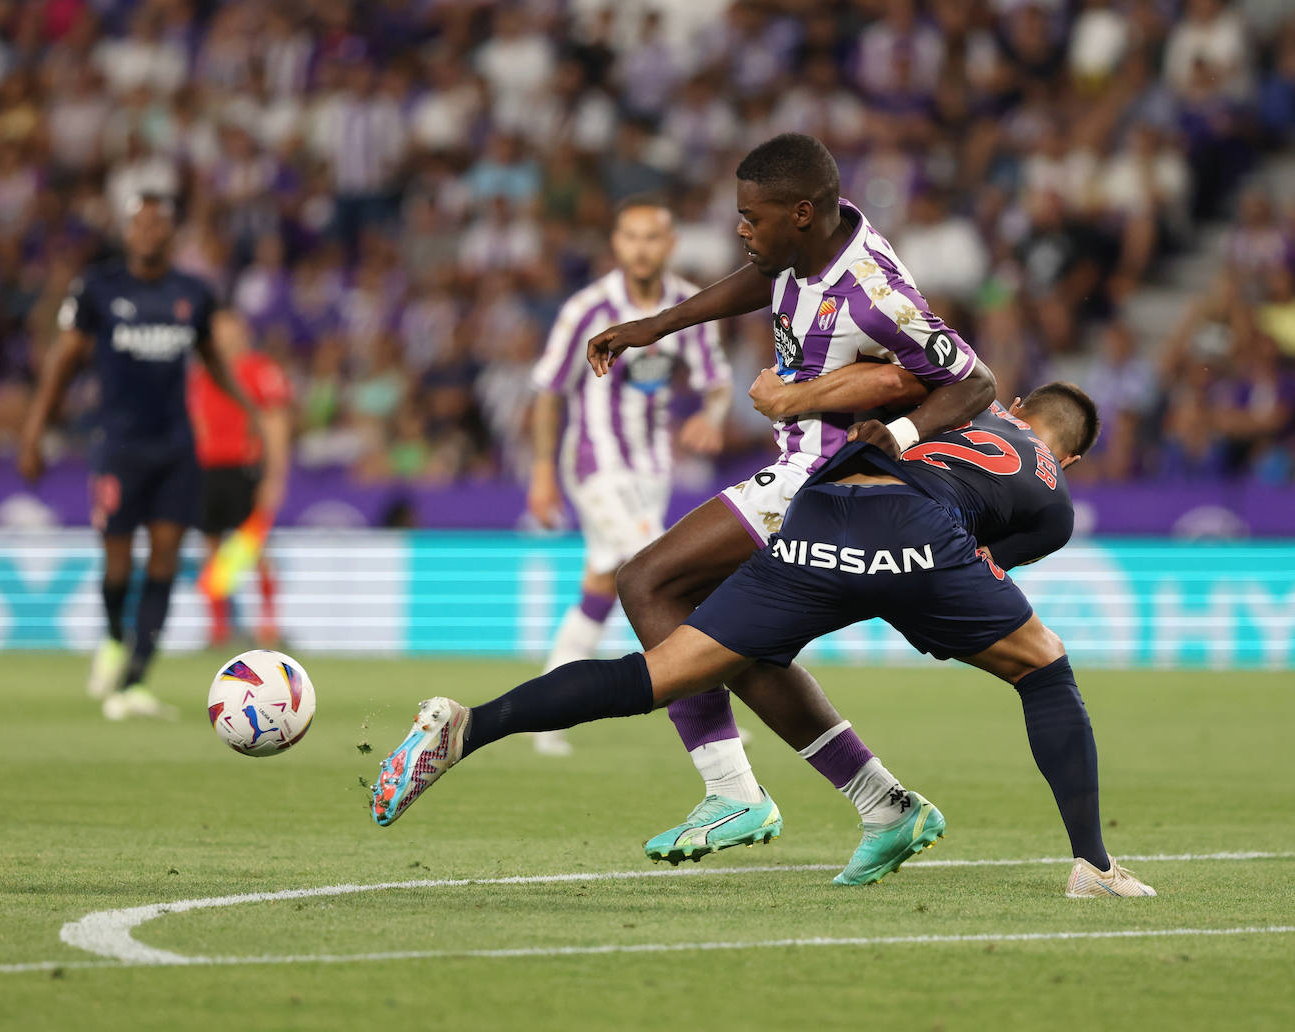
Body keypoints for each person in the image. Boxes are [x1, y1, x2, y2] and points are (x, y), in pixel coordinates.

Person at [369, 383, 1157, 899]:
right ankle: (1093, 863)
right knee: (1044, 668)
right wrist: (932, 623)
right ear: (1074, 457)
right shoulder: (1055, 500)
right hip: (916, 535)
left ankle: (470, 724)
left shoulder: (962, 409)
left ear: (1015, 404)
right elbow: (966, 571)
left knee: (660, 673)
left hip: (819, 508)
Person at [585, 133, 995, 858]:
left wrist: (898, 435)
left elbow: (975, 381)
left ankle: (732, 793)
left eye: (752, 217)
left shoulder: (874, 294)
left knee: (648, 581)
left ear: (801, 213)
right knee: (739, 642)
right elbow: (769, 280)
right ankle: (881, 802)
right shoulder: (810, 249)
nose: (741, 229)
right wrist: (657, 326)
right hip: (806, 471)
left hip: (821, 479)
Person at [18, 193, 254, 720]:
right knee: (118, 557)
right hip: (118, 444)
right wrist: (34, 431)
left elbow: (212, 359)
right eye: (140, 225)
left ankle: (137, 677)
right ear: (128, 233)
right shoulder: (99, 290)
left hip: (175, 444)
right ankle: (112, 638)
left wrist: (245, 406)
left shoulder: (193, 293)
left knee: (167, 554)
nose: (149, 233)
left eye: (158, 225)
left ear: (170, 234)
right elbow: (64, 363)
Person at [524, 194, 732, 756]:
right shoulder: (588, 309)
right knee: (663, 571)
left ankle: (547, 713)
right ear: (617, 245)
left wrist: (712, 418)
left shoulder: (689, 304)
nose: (641, 248)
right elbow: (548, 391)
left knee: (600, 583)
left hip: (651, 467)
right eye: (630, 237)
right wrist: (542, 471)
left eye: (652, 237)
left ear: (670, 245)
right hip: (595, 463)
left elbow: (717, 379)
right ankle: (712, 718)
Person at [187, 309, 292, 647]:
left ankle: (268, 627)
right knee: (213, 549)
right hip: (206, 471)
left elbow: (276, 424)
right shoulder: (200, 373)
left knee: (255, 547)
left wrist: (274, 477)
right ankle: (218, 629)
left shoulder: (259, 370)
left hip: (245, 469)